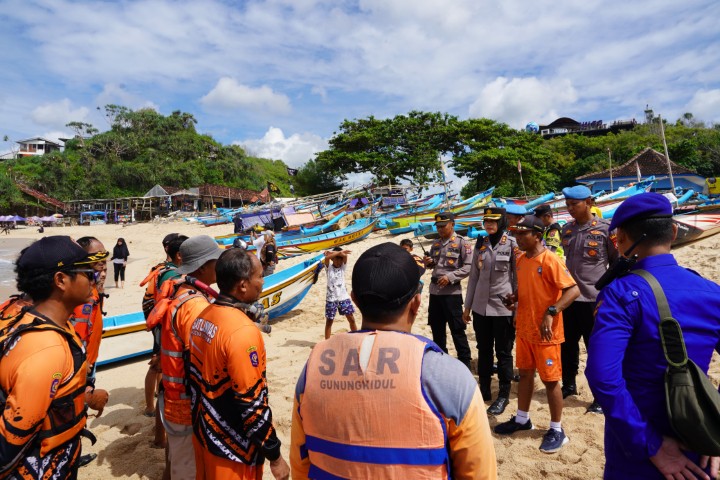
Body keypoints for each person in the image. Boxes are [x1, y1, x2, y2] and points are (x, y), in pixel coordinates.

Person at [290, 242, 498, 479]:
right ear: (416, 303)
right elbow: (478, 471)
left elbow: (300, 464)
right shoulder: (449, 377)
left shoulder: (313, 370)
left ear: (355, 301)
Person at [586, 192, 720, 479]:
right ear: (673, 231)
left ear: (620, 239)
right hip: (699, 436)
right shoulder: (711, 291)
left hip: (638, 443)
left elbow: (602, 376)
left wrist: (651, 445)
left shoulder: (621, 294)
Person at [187, 248, 290, 480]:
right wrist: (275, 455)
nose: (262, 283)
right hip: (233, 450)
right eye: (260, 276)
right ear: (243, 285)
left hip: (204, 436)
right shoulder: (242, 332)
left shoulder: (202, 317)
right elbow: (252, 404)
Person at [0, 236, 96, 478]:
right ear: (61, 280)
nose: (94, 279)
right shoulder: (47, 349)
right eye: (88, 273)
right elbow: (8, 445)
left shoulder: (28, 318)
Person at [494, 216, 580, 454]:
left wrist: (552, 311)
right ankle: (523, 419)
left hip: (546, 333)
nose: (518, 238)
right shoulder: (522, 259)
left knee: (551, 381)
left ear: (537, 235)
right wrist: (515, 298)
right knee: (525, 374)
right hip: (525, 328)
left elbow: (573, 290)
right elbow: (528, 287)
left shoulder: (550, 259)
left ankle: (557, 429)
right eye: (516, 234)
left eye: (523, 234)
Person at [147, 235, 221, 480]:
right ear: (202, 267)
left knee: (178, 460)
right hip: (187, 402)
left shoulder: (181, 293)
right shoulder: (195, 306)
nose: (219, 267)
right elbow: (201, 358)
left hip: (174, 395)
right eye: (215, 262)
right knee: (188, 469)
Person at [560, 185, 618, 413]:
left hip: (594, 299)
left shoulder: (606, 229)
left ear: (589, 202)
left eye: (575, 204)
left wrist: (608, 290)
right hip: (569, 298)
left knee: (595, 349)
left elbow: (616, 263)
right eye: (568, 204)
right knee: (567, 346)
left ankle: (598, 395)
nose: (570, 208)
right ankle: (569, 385)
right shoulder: (566, 229)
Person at [463, 207, 517, 415]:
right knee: (483, 349)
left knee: (503, 352)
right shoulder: (481, 244)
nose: (489, 225)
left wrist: (517, 309)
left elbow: (516, 279)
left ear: (502, 222)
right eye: (486, 221)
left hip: (503, 308)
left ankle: (503, 394)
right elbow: (473, 278)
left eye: (493, 221)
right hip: (480, 308)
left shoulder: (512, 244)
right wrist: (467, 307)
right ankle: (484, 389)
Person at [423, 212, 474, 369]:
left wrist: (451, 277)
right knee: (437, 329)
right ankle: (441, 361)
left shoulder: (461, 243)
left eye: (443, 226)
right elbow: (433, 264)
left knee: (457, 330)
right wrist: (429, 262)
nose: (440, 229)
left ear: (452, 224)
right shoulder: (436, 244)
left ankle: (465, 362)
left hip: (451, 294)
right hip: (435, 292)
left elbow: (468, 266)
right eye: (437, 226)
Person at [323, 247, 357, 339]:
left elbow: (345, 256)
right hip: (331, 299)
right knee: (329, 321)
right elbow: (326, 258)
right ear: (332, 259)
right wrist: (338, 253)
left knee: (351, 319)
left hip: (343, 298)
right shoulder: (328, 268)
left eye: (340, 260)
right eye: (336, 259)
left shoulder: (343, 267)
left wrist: (337, 253)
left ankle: (356, 337)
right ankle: (327, 342)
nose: (338, 262)